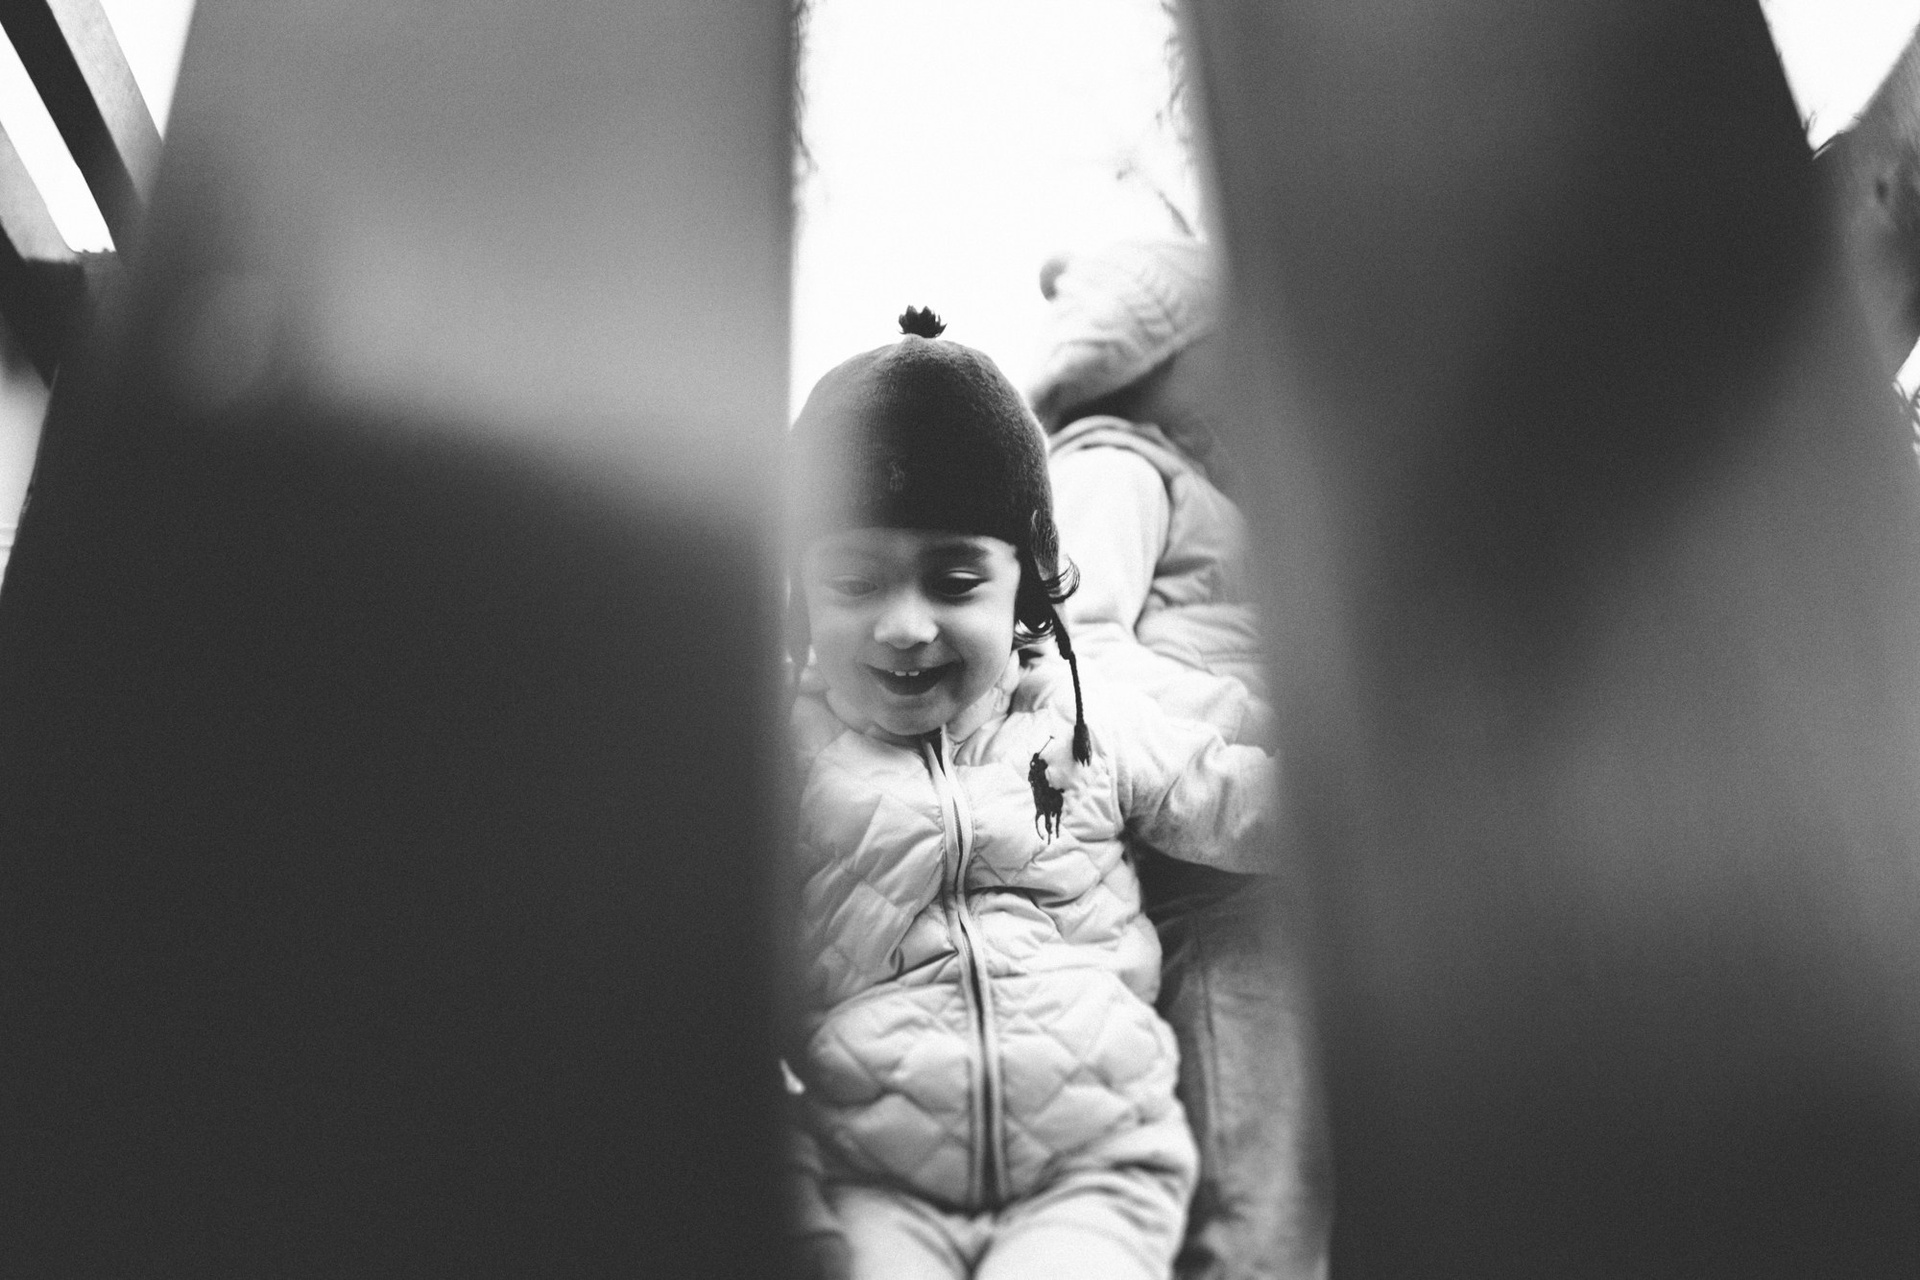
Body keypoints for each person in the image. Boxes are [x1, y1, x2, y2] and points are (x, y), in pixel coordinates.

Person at [782, 307, 1280, 1280]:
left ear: (1026, 589)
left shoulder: (1081, 718)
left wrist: (1399, 807)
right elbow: (708, 998)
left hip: (1093, 1174)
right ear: (801, 597)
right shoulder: (785, 761)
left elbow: (1229, 797)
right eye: (855, 584)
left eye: (954, 578)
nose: (906, 624)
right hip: (874, 1184)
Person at [1027, 238, 1332, 1280]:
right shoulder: (1113, 469)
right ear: (1152, 355)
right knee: (1258, 1178)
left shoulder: (1207, 486)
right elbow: (1074, 655)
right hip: (1206, 869)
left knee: (1301, 1167)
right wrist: (1263, 723)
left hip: (1263, 854)